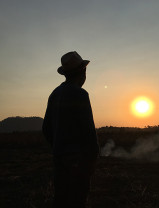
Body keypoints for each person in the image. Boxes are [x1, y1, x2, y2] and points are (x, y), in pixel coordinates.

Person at [42, 51, 99, 208]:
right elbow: (88, 131)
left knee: (60, 199)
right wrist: (93, 158)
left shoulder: (54, 94)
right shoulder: (80, 94)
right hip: (78, 161)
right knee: (77, 200)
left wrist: (59, 147)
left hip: (59, 158)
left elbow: (46, 128)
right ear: (83, 72)